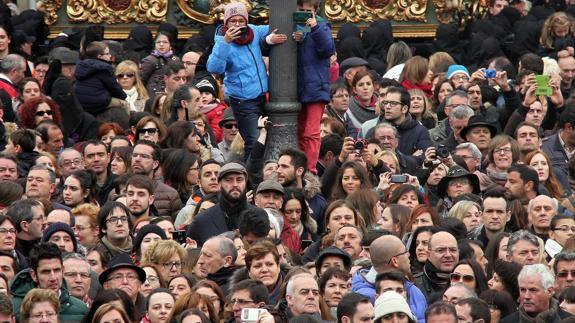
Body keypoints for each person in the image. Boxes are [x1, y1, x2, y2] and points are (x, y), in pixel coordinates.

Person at [207, 2, 287, 160]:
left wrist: (268, 40)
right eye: (233, 21)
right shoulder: (223, 42)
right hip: (243, 102)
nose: (237, 24)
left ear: (246, 21)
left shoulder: (254, 31)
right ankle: (252, 179)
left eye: (241, 20)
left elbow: (276, 28)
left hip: (261, 96)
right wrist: (225, 42)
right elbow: (214, 68)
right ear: (226, 23)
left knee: (268, 138)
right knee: (254, 141)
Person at [293, 0, 335, 174]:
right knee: (301, 130)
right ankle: (303, 164)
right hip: (301, 86)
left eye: (307, 11)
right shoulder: (296, 27)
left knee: (311, 131)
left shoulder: (323, 26)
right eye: (300, 10)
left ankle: (310, 169)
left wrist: (315, 27)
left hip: (316, 87)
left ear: (315, 11)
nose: (303, 13)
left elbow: (327, 49)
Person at [352, 235, 427, 322]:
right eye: (405, 252)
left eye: (399, 290)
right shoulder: (364, 299)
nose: (409, 254)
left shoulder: (413, 290)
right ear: (395, 261)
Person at [10, 242, 88, 321]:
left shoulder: (81, 310)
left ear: (63, 270)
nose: (53, 278)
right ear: (34, 275)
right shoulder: (15, 308)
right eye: (46, 272)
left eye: (57, 270)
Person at [187, 162, 259, 245]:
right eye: (228, 180)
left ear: (245, 183)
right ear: (219, 184)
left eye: (239, 180)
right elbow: (192, 254)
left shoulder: (258, 217)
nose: (235, 185)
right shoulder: (202, 220)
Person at [500, 264, 571, 323]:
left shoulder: (569, 320)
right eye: (523, 290)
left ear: (549, 291)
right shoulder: (506, 321)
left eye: (533, 290)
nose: (526, 296)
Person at [415, 231, 459, 301]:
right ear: (429, 255)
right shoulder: (415, 286)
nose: (448, 255)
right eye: (441, 250)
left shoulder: (468, 280)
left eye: (453, 250)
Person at [140, 32, 181, 96]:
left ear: (170, 44)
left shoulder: (176, 60)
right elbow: (141, 81)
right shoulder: (149, 60)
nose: (161, 44)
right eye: (158, 42)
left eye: (165, 42)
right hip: (154, 96)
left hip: (173, 94)